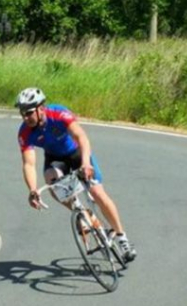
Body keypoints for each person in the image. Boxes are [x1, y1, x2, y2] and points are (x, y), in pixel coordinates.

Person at [15, 87, 137, 262]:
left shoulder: (58, 114)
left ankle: (122, 238)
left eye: (28, 113)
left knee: (97, 192)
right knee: (51, 181)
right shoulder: (25, 132)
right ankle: (83, 213)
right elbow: (28, 163)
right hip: (56, 159)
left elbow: (81, 137)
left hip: (77, 153)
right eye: (22, 114)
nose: (25, 118)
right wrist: (33, 190)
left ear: (41, 108)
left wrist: (86, 163)